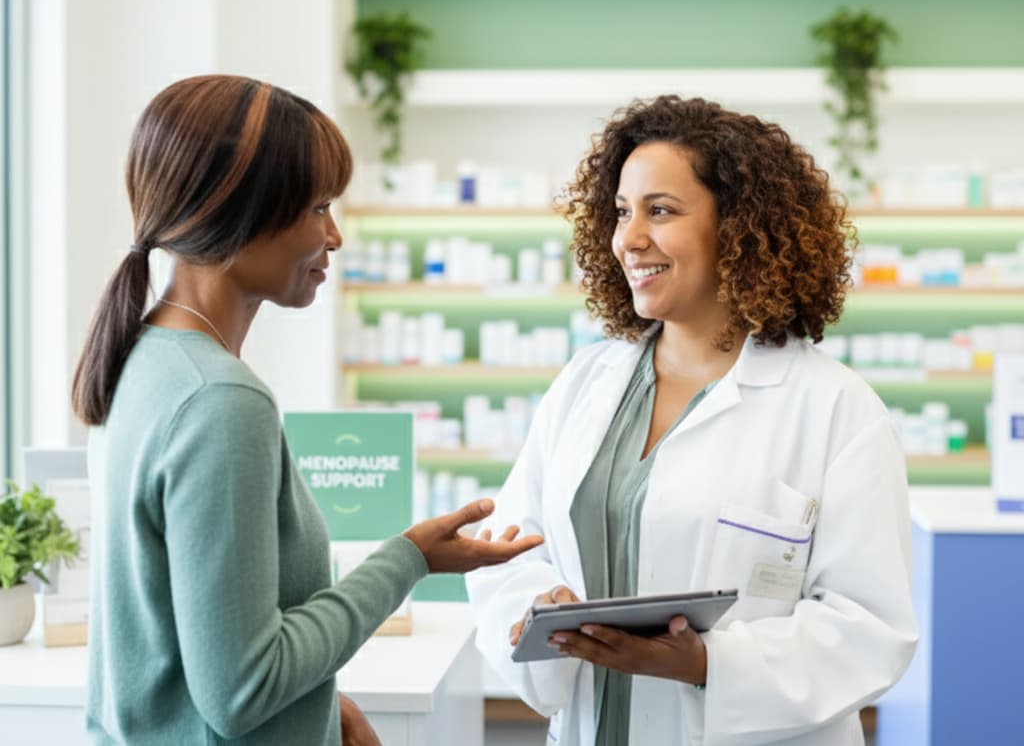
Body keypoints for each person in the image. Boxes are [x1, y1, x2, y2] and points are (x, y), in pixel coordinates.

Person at [71, 74, 542, 746]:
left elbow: (188, 640)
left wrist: (322, 704)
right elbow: (241, 691)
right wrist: (408, 559)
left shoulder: (143, 359)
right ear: (242, 209)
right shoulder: (221, 402)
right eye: (318, 207)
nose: (334, 235)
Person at [466, 95, 918, 746]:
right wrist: (537, 607)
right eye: (622, 212)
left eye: (661, 211)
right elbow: (512, 548)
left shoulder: (834, 408)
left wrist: (708, 663)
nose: (630, 238)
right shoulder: (586, 385)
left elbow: (870, 626)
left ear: (737, 226)